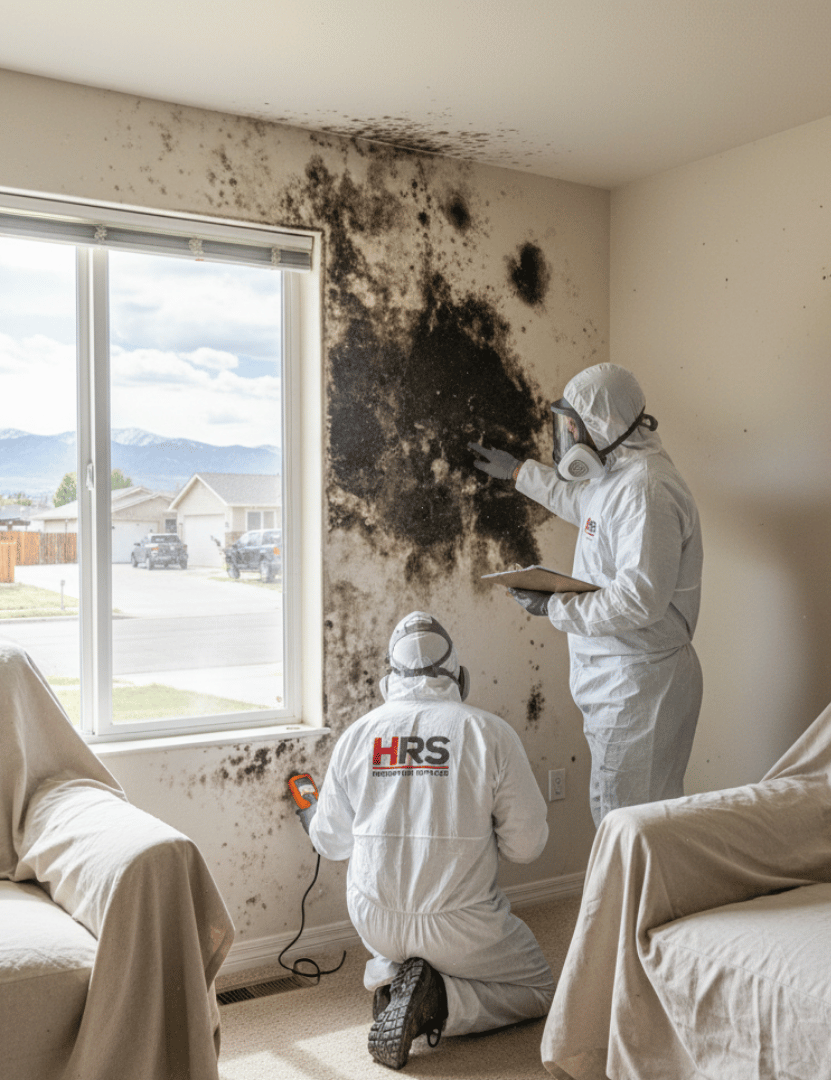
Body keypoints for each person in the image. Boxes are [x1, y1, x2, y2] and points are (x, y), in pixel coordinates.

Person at [297, 611, 554, 1071]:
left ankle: (392, 980)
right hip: (462, 924)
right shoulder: (489, 733)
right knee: (539, 988)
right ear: (461, 679)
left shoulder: (358, 735)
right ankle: (437, 1003)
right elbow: (527, 846)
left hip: (375, 919)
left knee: (398, 944)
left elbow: (331, 844)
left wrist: (312, 815)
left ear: (387, 682)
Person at [470, 362, 703, 827]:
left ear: (602, 423)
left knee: (624, 822)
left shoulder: (646, 489)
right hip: (626, 678)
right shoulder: (620, 478)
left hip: (639, 684)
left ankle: (630, 883)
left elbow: (639, 599)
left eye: (573, 425)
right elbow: (582, 504)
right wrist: (519, 472)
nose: (569, 436)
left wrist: (555, 605)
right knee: (636, 820)